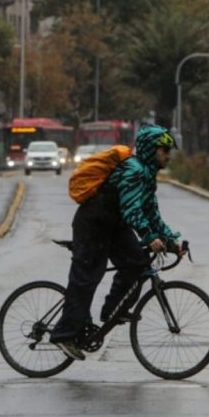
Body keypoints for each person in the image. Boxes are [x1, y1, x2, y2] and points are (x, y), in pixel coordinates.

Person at [49, 124, 183, 361]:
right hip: (93, 224)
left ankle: (113, 310)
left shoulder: (147, 176)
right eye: (164, 150)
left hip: (114, 226)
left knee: (137, 263)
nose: (168, 156)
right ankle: (65, 334)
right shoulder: (133, 170)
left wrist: (171, 241)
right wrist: (149, 237)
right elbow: (131, 210)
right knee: (87, 278)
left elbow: (151, 213)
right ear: (152, 150)